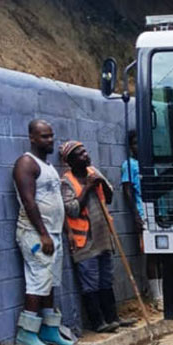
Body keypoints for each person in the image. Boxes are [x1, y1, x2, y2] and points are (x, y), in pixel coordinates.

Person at [12, 119, 75, 345]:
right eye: (44, 136)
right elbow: (29, 202)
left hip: (54, 233)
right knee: (38, 280)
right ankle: (27, 332)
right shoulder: (26, 163)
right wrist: (44, 234)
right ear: (32, 138)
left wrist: (65, 232)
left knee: (50, 282)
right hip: (36, 234)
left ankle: (49, 328)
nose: (50, 140)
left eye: (51, 136)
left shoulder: (48, 167)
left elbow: (57, 203)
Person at [60, 141, 135, 332]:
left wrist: (100, 182)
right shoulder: (66, 182)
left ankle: (113, 318)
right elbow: (72, 210)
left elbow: (109, 198)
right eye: (80, 154)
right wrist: (87, 187)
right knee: (90, 282)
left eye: (85, 152)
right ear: (70, 161)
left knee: (106, 279)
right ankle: (98, 322)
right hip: (84, 239)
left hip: (103, 235)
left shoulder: (93, 172)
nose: (85, 156)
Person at [121, 130, 163, 310]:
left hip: (158, 213)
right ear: (131, 147)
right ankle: (156, 297)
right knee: (152, 255)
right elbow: (127, 191)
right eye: (136, 143)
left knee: (163, 255)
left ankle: (162, 292)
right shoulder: (129, 165)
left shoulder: (149, 164)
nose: (140, 146)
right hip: (143, 213)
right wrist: (136, 216)